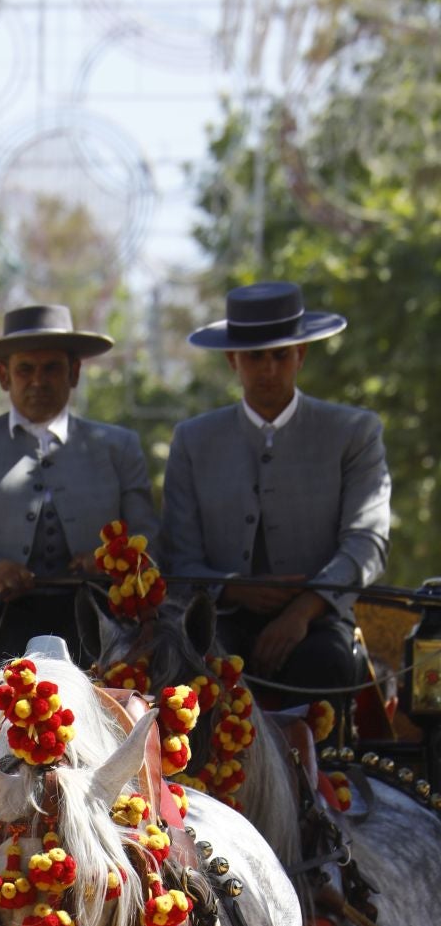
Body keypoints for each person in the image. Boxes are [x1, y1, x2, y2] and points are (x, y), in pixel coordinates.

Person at [163, 280, 390, 696]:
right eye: (254, 357)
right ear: (233, 359)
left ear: (300, 355)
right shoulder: (193, 440)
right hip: (218, 620)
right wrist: (231, 586)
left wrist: (303, 610)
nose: (268, 369)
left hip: (320, 620)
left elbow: (366, 541)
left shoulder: (353, 432)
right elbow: (179, 557)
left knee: (327, 664)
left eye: (280, 356)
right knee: (193, 671)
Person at [0, 301, 158, 674]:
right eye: (25, 370)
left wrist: (105, 561)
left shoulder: (117, 446)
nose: (38, 380)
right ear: (4, 376)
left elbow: (152, 543)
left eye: (51, 368)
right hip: (1, 626)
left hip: (102, 630)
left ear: (74, 372)